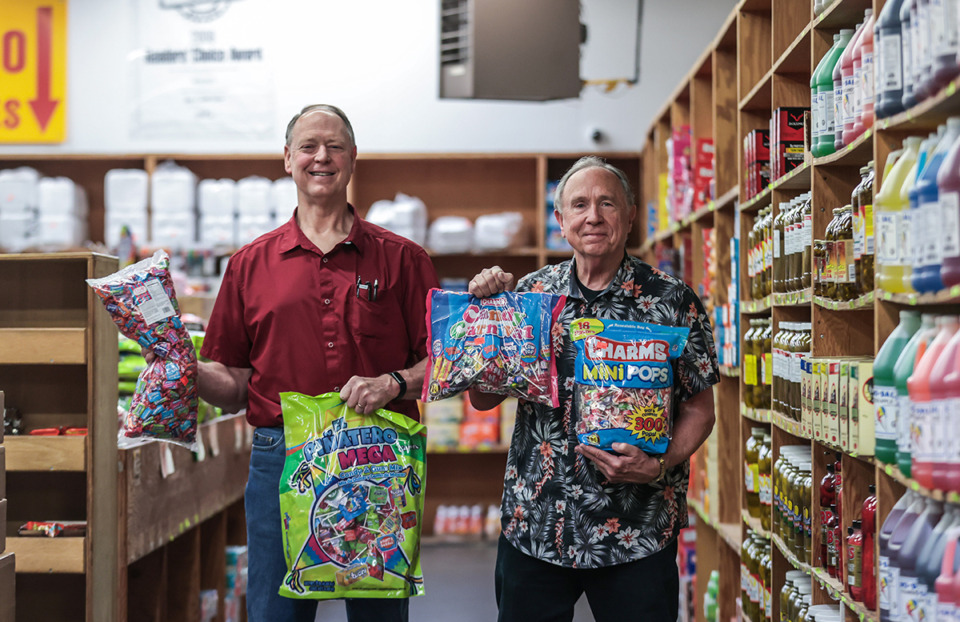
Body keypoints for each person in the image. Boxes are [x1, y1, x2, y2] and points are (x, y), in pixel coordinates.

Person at [198, 104, 439, 622]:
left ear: (352, 159)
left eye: (334, 146)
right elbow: (235, 381)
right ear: (288, 160)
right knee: (275, 611)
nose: (321, 157)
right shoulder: (248, 265)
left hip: (379, 457)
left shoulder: (403, 259)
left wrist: (394, 382)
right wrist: (187, 370)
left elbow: (442, 362)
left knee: (376, 611)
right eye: (308, 146)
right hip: (281, 458)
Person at [467, 156, 719, 622]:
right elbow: (482, 399)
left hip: (637, 531)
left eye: (607, 203)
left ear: (629, 216)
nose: (593, 216)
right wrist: (488, 312)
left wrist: (659, 463)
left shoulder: (670, 299)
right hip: (537, 525)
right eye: (579, 205)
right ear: (560, 221)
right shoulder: (531, 295)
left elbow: (702, 409)